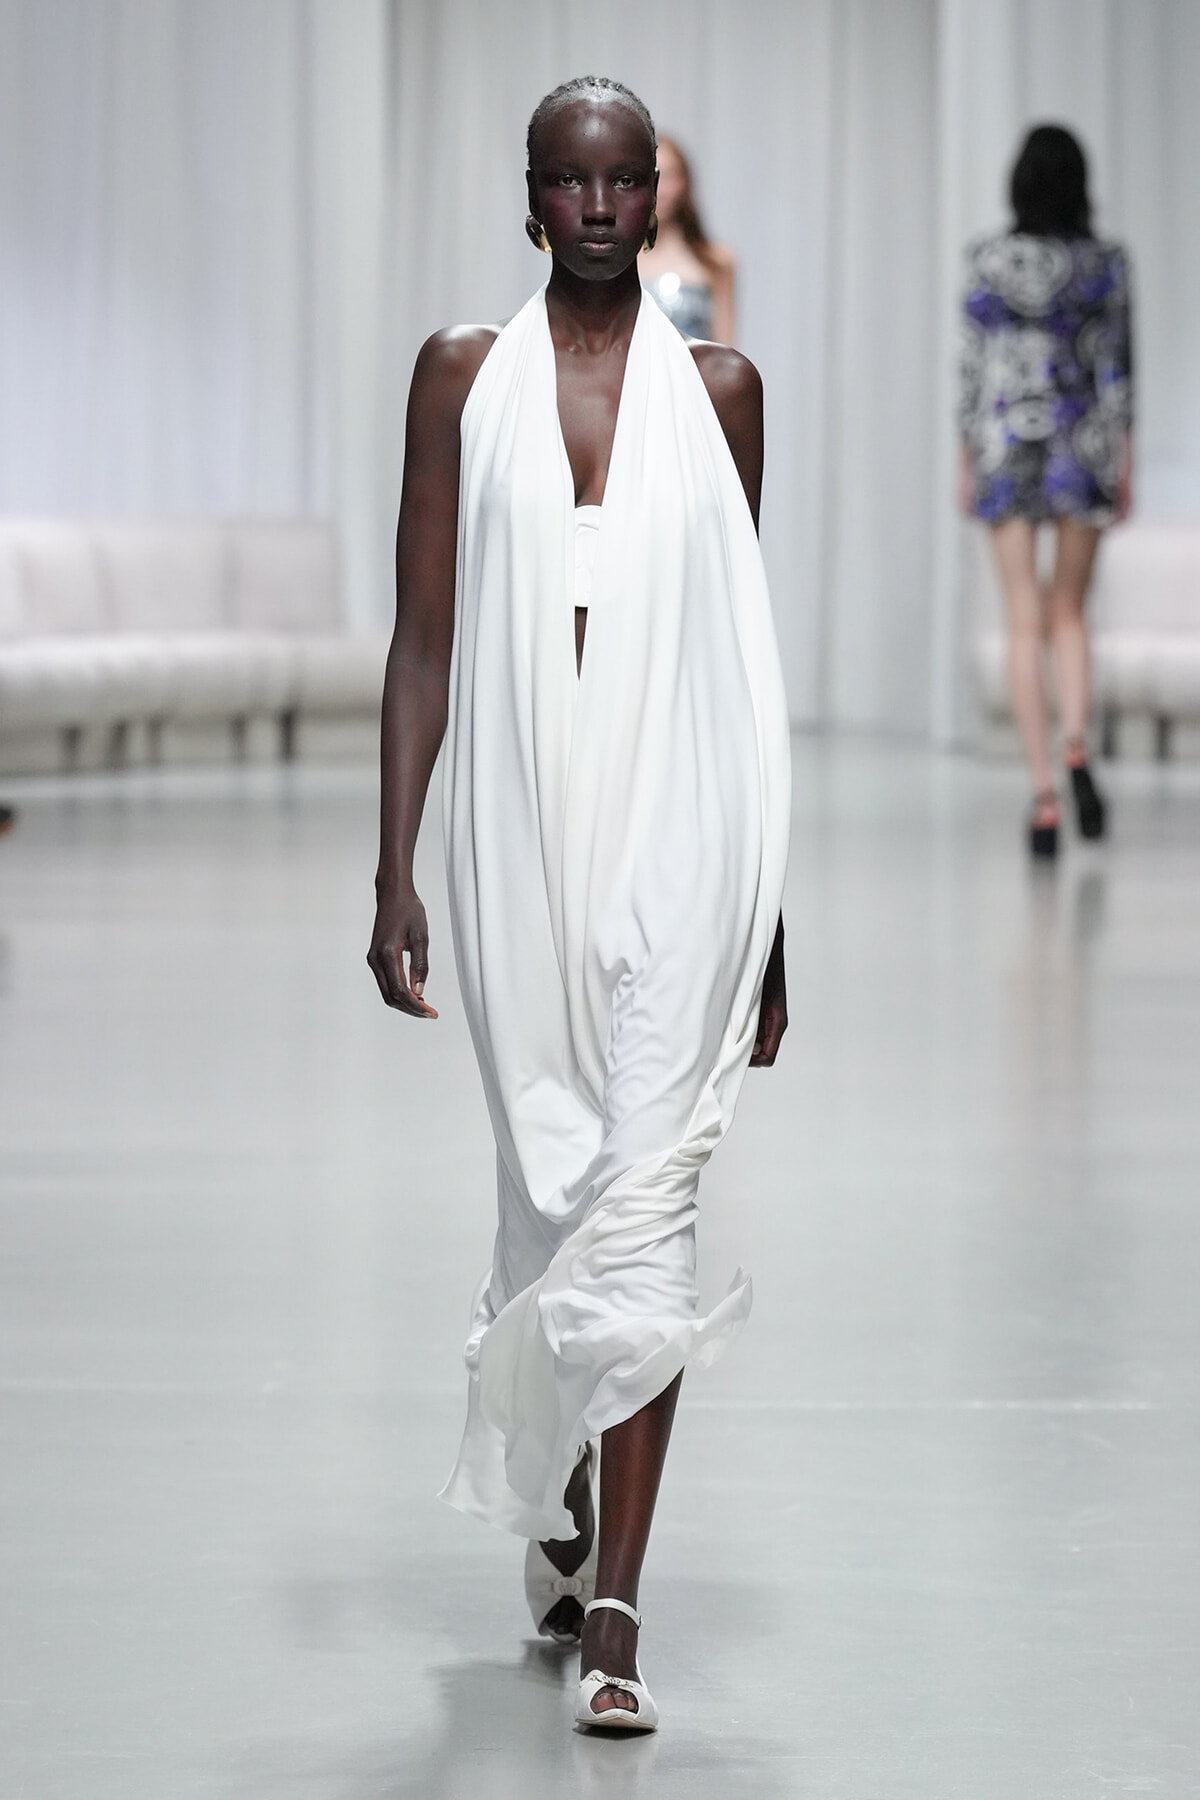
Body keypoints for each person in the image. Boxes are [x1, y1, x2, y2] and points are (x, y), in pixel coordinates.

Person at [367, 75, 790, 1733]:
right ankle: (553, 1489)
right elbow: (422, 636)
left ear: (657, 194)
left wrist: (765, 923)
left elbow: (740, 679)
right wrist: (393, 863)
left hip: (681, 834)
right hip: (518, 836)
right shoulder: (459, 379)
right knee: (551, 1199)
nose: (602, 207)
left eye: (627, 181)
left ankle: (615, 1608)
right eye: (572, 181)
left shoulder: (725, 395)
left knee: (646, 1207)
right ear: (531, 196)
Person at [958, 123, 1133, 857]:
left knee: (1023, 619)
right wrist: (1122, 459)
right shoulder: (1105, 264)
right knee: (1070, 613)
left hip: (1006, 443)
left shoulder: (988, 260)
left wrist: (966, 458)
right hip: (1082, 443)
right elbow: (1117, 370)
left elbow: (973, 369)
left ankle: (1044, 799)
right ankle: (1076, 743)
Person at [638, 134, 736, 343]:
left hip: (698, 365)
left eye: (669, 176)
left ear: (684, 183)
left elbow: (725, 347)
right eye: (650, 177)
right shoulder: (617, 259)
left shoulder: (715, 260)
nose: (659, 189)